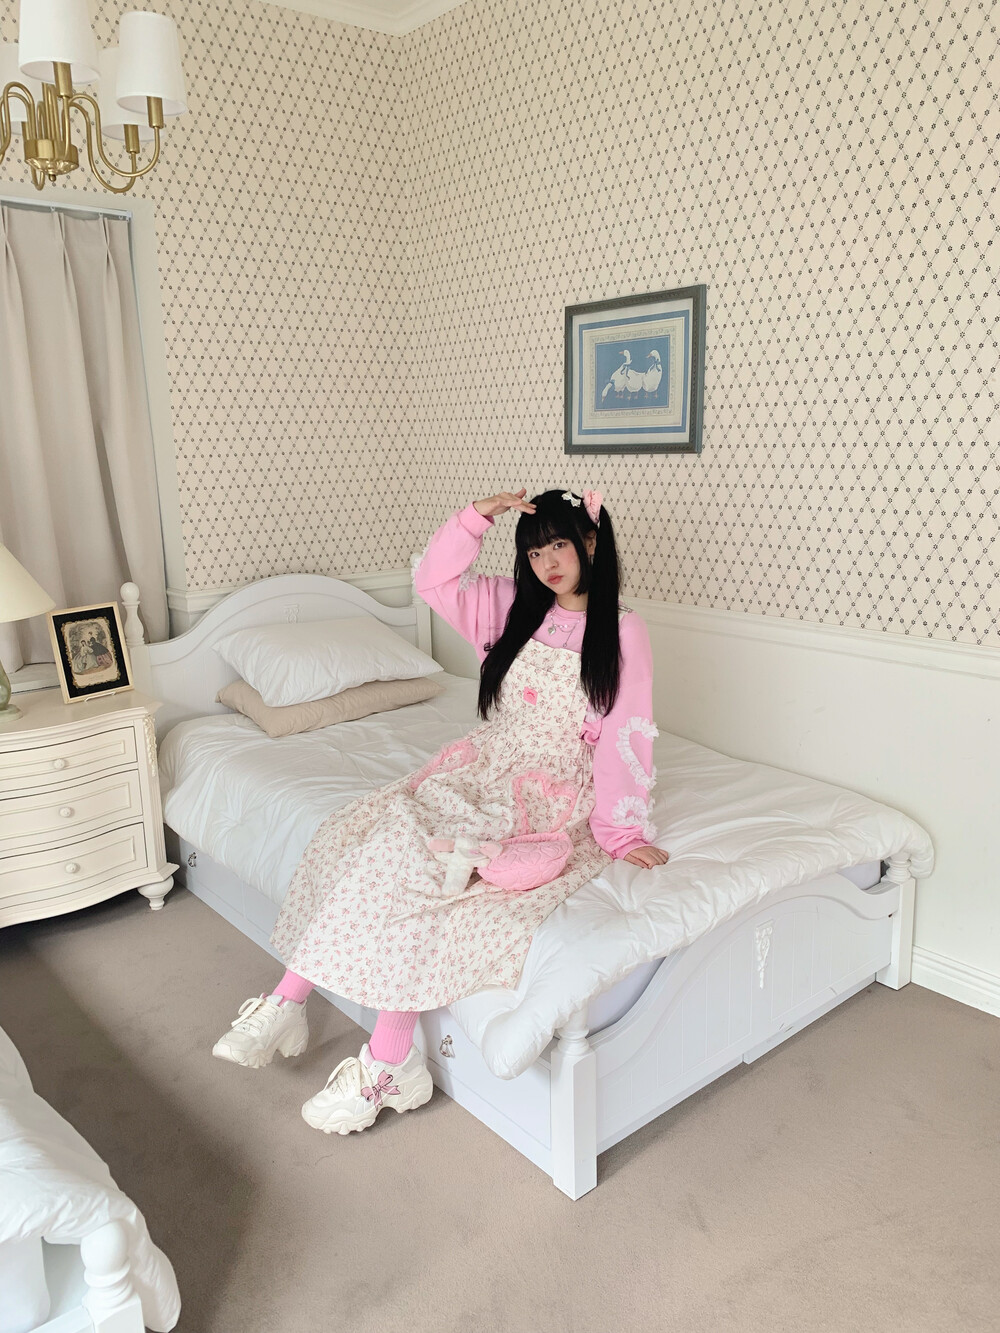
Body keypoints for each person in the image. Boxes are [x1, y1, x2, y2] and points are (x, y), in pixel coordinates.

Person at [211, 487, 668, 1135]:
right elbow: (432, 579)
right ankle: (292, 1001)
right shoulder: (510, 606)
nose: (546, 563)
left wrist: (620, 832)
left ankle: (382, 1056)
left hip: (548, 789)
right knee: (379, 837)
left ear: (591, 543)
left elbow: (628, 730)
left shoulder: (622, 629)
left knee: (445, 879)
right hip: (485, 762)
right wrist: (476, 517)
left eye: (560, 545)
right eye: (534, 552)